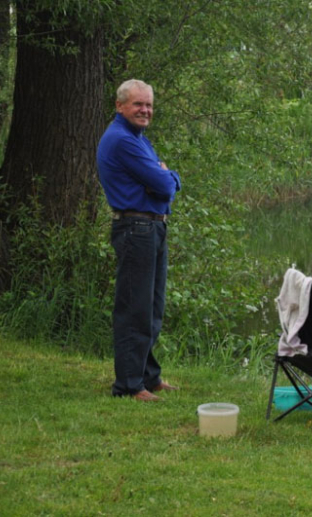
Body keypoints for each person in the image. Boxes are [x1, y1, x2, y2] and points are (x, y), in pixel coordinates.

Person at [97, 79, 182, 401]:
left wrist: (166, 178)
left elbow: (165, 184)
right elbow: (164, 183)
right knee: (135, 309)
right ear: (120, 106)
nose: (145, 110)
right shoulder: (122, 140)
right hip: (136, 229)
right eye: (138, 104)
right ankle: (129, 386)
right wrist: (166, 176)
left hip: (151, 228)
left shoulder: (138, 138)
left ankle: (148, 376)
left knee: (152, 308)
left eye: (148, 105)